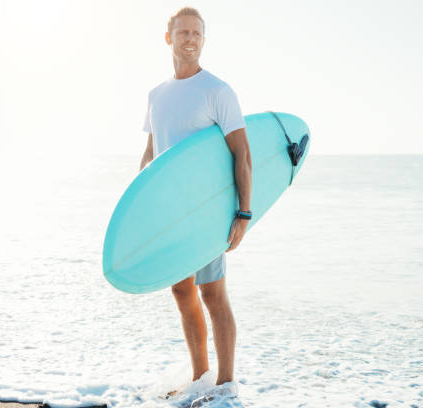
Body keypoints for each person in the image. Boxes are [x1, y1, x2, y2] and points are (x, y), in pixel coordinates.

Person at [138, 6, 252, 402]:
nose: (190, 39)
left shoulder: (217, 91)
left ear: (204, 40)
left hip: (207, 213)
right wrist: (140, 209)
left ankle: (226, 385)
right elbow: (152, 154)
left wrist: (243, 213)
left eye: (197, 33)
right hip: (171, 216)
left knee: (213, 294)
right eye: (183, 32)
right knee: (182, 293)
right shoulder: (157, 96)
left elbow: (243, 153)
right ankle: (201, 377)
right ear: (168, 38)